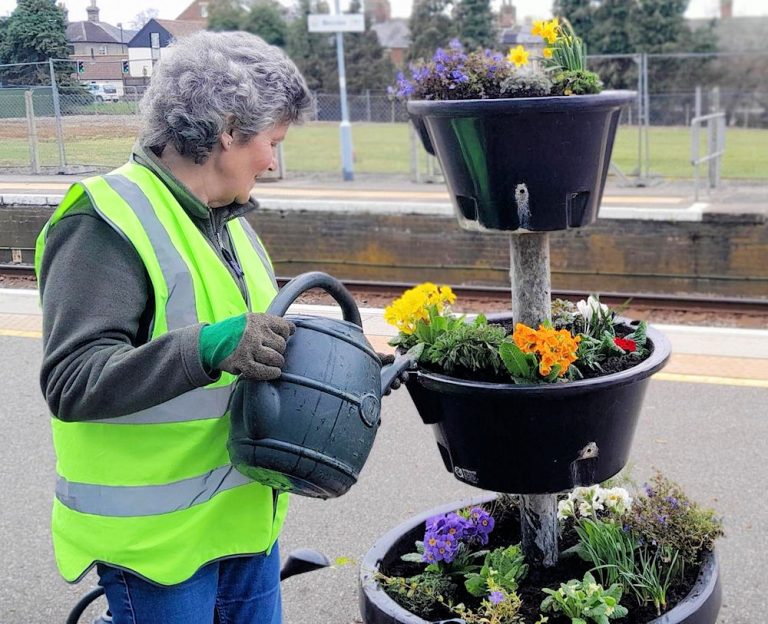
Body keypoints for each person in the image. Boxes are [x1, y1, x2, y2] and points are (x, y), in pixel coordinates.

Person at [35, 31, 313, 624]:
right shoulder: (104, 220)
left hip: (242, 523)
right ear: (229, 129)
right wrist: (211, 347)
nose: (273, 161)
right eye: (272, 141)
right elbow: (73, 380)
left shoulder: (231, 224)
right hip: (157, 545)